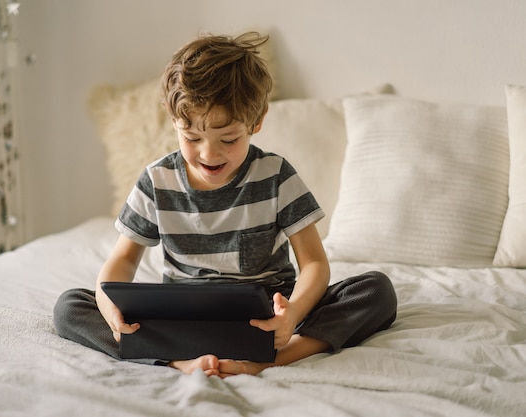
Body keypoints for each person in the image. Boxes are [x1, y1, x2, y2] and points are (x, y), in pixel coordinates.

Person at [54, 32, 397, 378]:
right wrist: (111, 308)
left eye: (228, 139)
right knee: (71, 306)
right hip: (183, 319)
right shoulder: (157, 181)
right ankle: (178, 362)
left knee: (375, 290)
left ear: (256, 121)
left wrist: (292, 313)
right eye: (191, 138)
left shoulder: (276, 175)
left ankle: (277, 358)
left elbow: (314, 263)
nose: (208, 153)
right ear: (174, 122)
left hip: (267, 319)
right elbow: (124, 259)